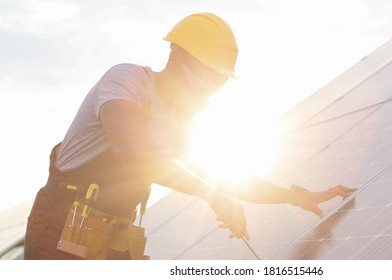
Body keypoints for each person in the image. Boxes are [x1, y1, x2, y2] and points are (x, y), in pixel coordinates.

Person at [24, 12, 356, 260]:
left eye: (220, 81)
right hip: (60, 233)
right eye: (209, 75)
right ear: (178, 57)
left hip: (115, 240)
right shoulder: (127, 81)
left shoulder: (180, 122)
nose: (212, 88)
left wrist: (295, 195)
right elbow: (136, 155)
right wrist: (211, 195)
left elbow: (222, 179)